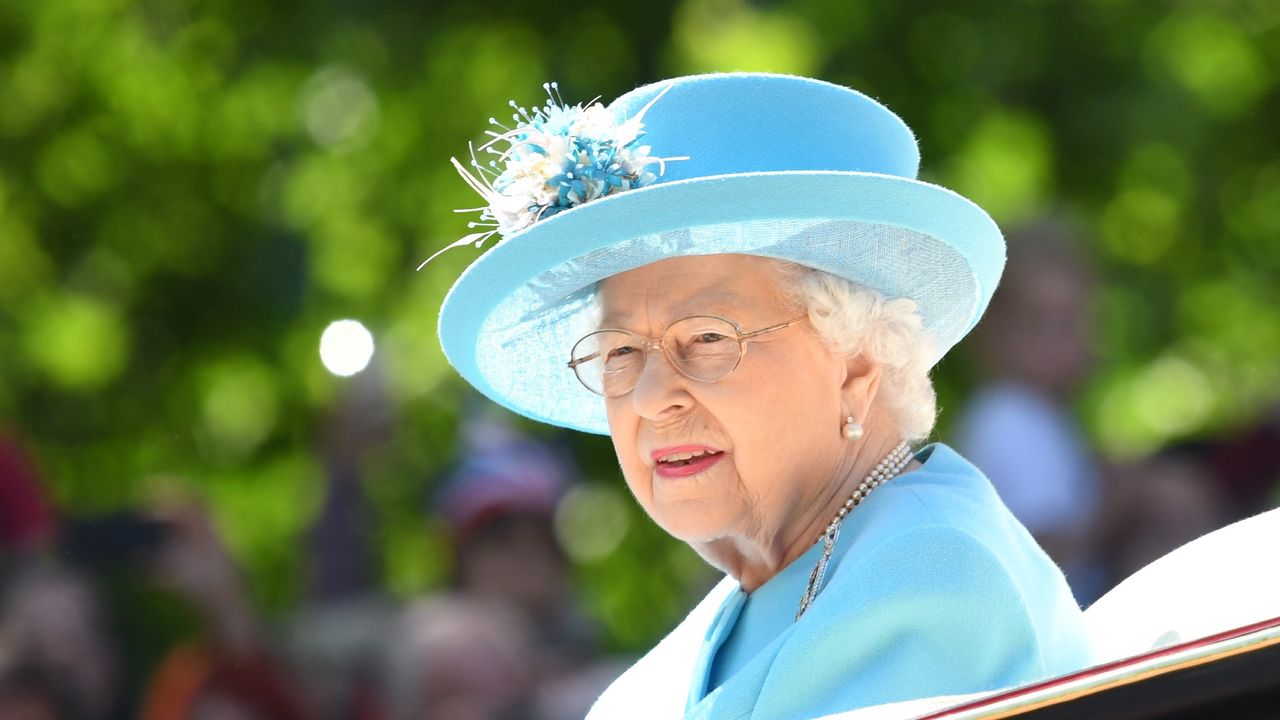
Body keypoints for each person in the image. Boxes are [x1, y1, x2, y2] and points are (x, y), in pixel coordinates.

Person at [430, 73, 1095, 719]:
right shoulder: (739, 608)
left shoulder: (934, 573)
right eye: (620, 353)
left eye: (709, 338)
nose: (652, 397)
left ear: (857, 363)